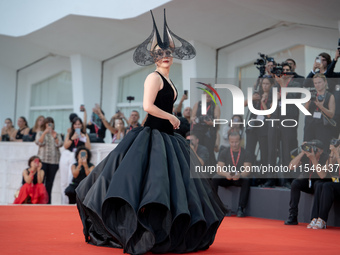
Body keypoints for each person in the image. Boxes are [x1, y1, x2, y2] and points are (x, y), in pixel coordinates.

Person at [75, 9, 226, 255]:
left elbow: (156, 108)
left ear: (173, 55)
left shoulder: (171, 81)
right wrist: (171, 116)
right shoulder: (152, 78)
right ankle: (138, 230)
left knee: (172, 188)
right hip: (153, 137)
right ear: (154, 57)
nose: (165, 56)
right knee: (148, 185)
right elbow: (147, 106)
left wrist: (170, 118)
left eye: (168, 53)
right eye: (160, 53)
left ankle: (164, 230)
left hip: (168, 138)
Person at [265, 62, 301, 188]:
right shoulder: (274, 87)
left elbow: (292, 99)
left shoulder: (295, 85)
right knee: (271, 151)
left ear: (290, 73)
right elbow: (270, 104)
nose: (283, 73)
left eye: (286, 70)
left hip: (288, 120)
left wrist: (282, 87)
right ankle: (271, 179)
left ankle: (287, 179)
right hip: (274, 119)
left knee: (286, 151)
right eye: (282, 70)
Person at [284, 140, 329, 225]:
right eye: (312, 148)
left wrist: (313, 159)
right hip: (308, 181)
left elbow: (322, 175)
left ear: (321, 151)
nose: (313, 151)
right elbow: (291, 167)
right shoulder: (306, 156)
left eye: (316, 149)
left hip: (320, 184)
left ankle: (315, 218)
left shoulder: (326, 157)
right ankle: (293, 216)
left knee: (318, 184)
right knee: (295, 183)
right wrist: (302, 152)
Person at [212, 131, 252, 217]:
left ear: (240, 141)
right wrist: (226, 174)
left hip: (239, 178)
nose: (234, 144)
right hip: (227, 177)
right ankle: (214, 205)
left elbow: (247, 170)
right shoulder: (224, 152)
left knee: (246, 180)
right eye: (232, 142)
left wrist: (240, 175)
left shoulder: (246, 153)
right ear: (229, 141)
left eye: (236, 142)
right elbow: (219, 169)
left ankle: (241, 208)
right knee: (215, 178)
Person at [306, 140, 339, 229]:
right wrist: (314, 159)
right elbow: (323, 174)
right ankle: (315, 217)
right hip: (336, 183)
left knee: (327, 186)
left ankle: (323, 219)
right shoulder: (334, 155)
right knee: (319, 184)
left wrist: (336, 152)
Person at [60, 117, 91, 204]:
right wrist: (72, 138)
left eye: (79, 124)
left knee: (71, 177)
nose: (77, 126)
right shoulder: (70, 134)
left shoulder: (84, 134)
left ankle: (71, 201)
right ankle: (63, 202)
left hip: (77, 156)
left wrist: (84, 138)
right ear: (73, 125)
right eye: (75, 124)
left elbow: (89, 148)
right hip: (68, 154)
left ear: (81, 125)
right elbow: (65, 146)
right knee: (64, 180)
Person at [303, 74, 336, 152]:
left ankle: (323, 164)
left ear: (325, 82)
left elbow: (331, 114)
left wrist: (321, 106)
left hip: (323, 126)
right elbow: (305, 111)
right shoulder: (311, 94)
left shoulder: (330, 96)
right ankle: (308, 163)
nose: (317, 85)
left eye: (319, 82)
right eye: (315, 83)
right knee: (307, 147)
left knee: (323, 148)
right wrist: (308, 102)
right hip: (310, 124)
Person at [35, 117, 63, 204]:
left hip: (54, 162)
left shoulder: (56, 134)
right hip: (43, 161)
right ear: (45, 124)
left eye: (51, 123)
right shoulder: (40, 133)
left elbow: (60, 144)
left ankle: (48, 203)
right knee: (41, 182)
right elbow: (39, 142)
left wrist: (55, 137)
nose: (49, 124)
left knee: (49, 183)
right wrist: (45, 132)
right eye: (48, 123)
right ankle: (40, 201)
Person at [191, 87, 221, 166]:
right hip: (197, 131)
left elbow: (217, 120)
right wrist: (194, 119)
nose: (208, 95)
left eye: (210, 94)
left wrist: (212, 122)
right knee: (197, 149)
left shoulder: (215, 106)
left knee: (209, 152)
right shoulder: (198, 104)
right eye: (206, 93)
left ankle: (210, 172)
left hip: (209, 132)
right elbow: (192, 117)